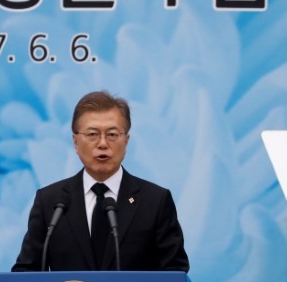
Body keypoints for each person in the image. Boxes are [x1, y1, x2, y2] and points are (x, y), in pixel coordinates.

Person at [12, 91, 189, 272]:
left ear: (126, 141)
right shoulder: (50, 201)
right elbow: (26, 272)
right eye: (92, 134)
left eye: (112, 134)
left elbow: (175, 272)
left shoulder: (155, 201)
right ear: (75, 142)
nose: (103, 143)